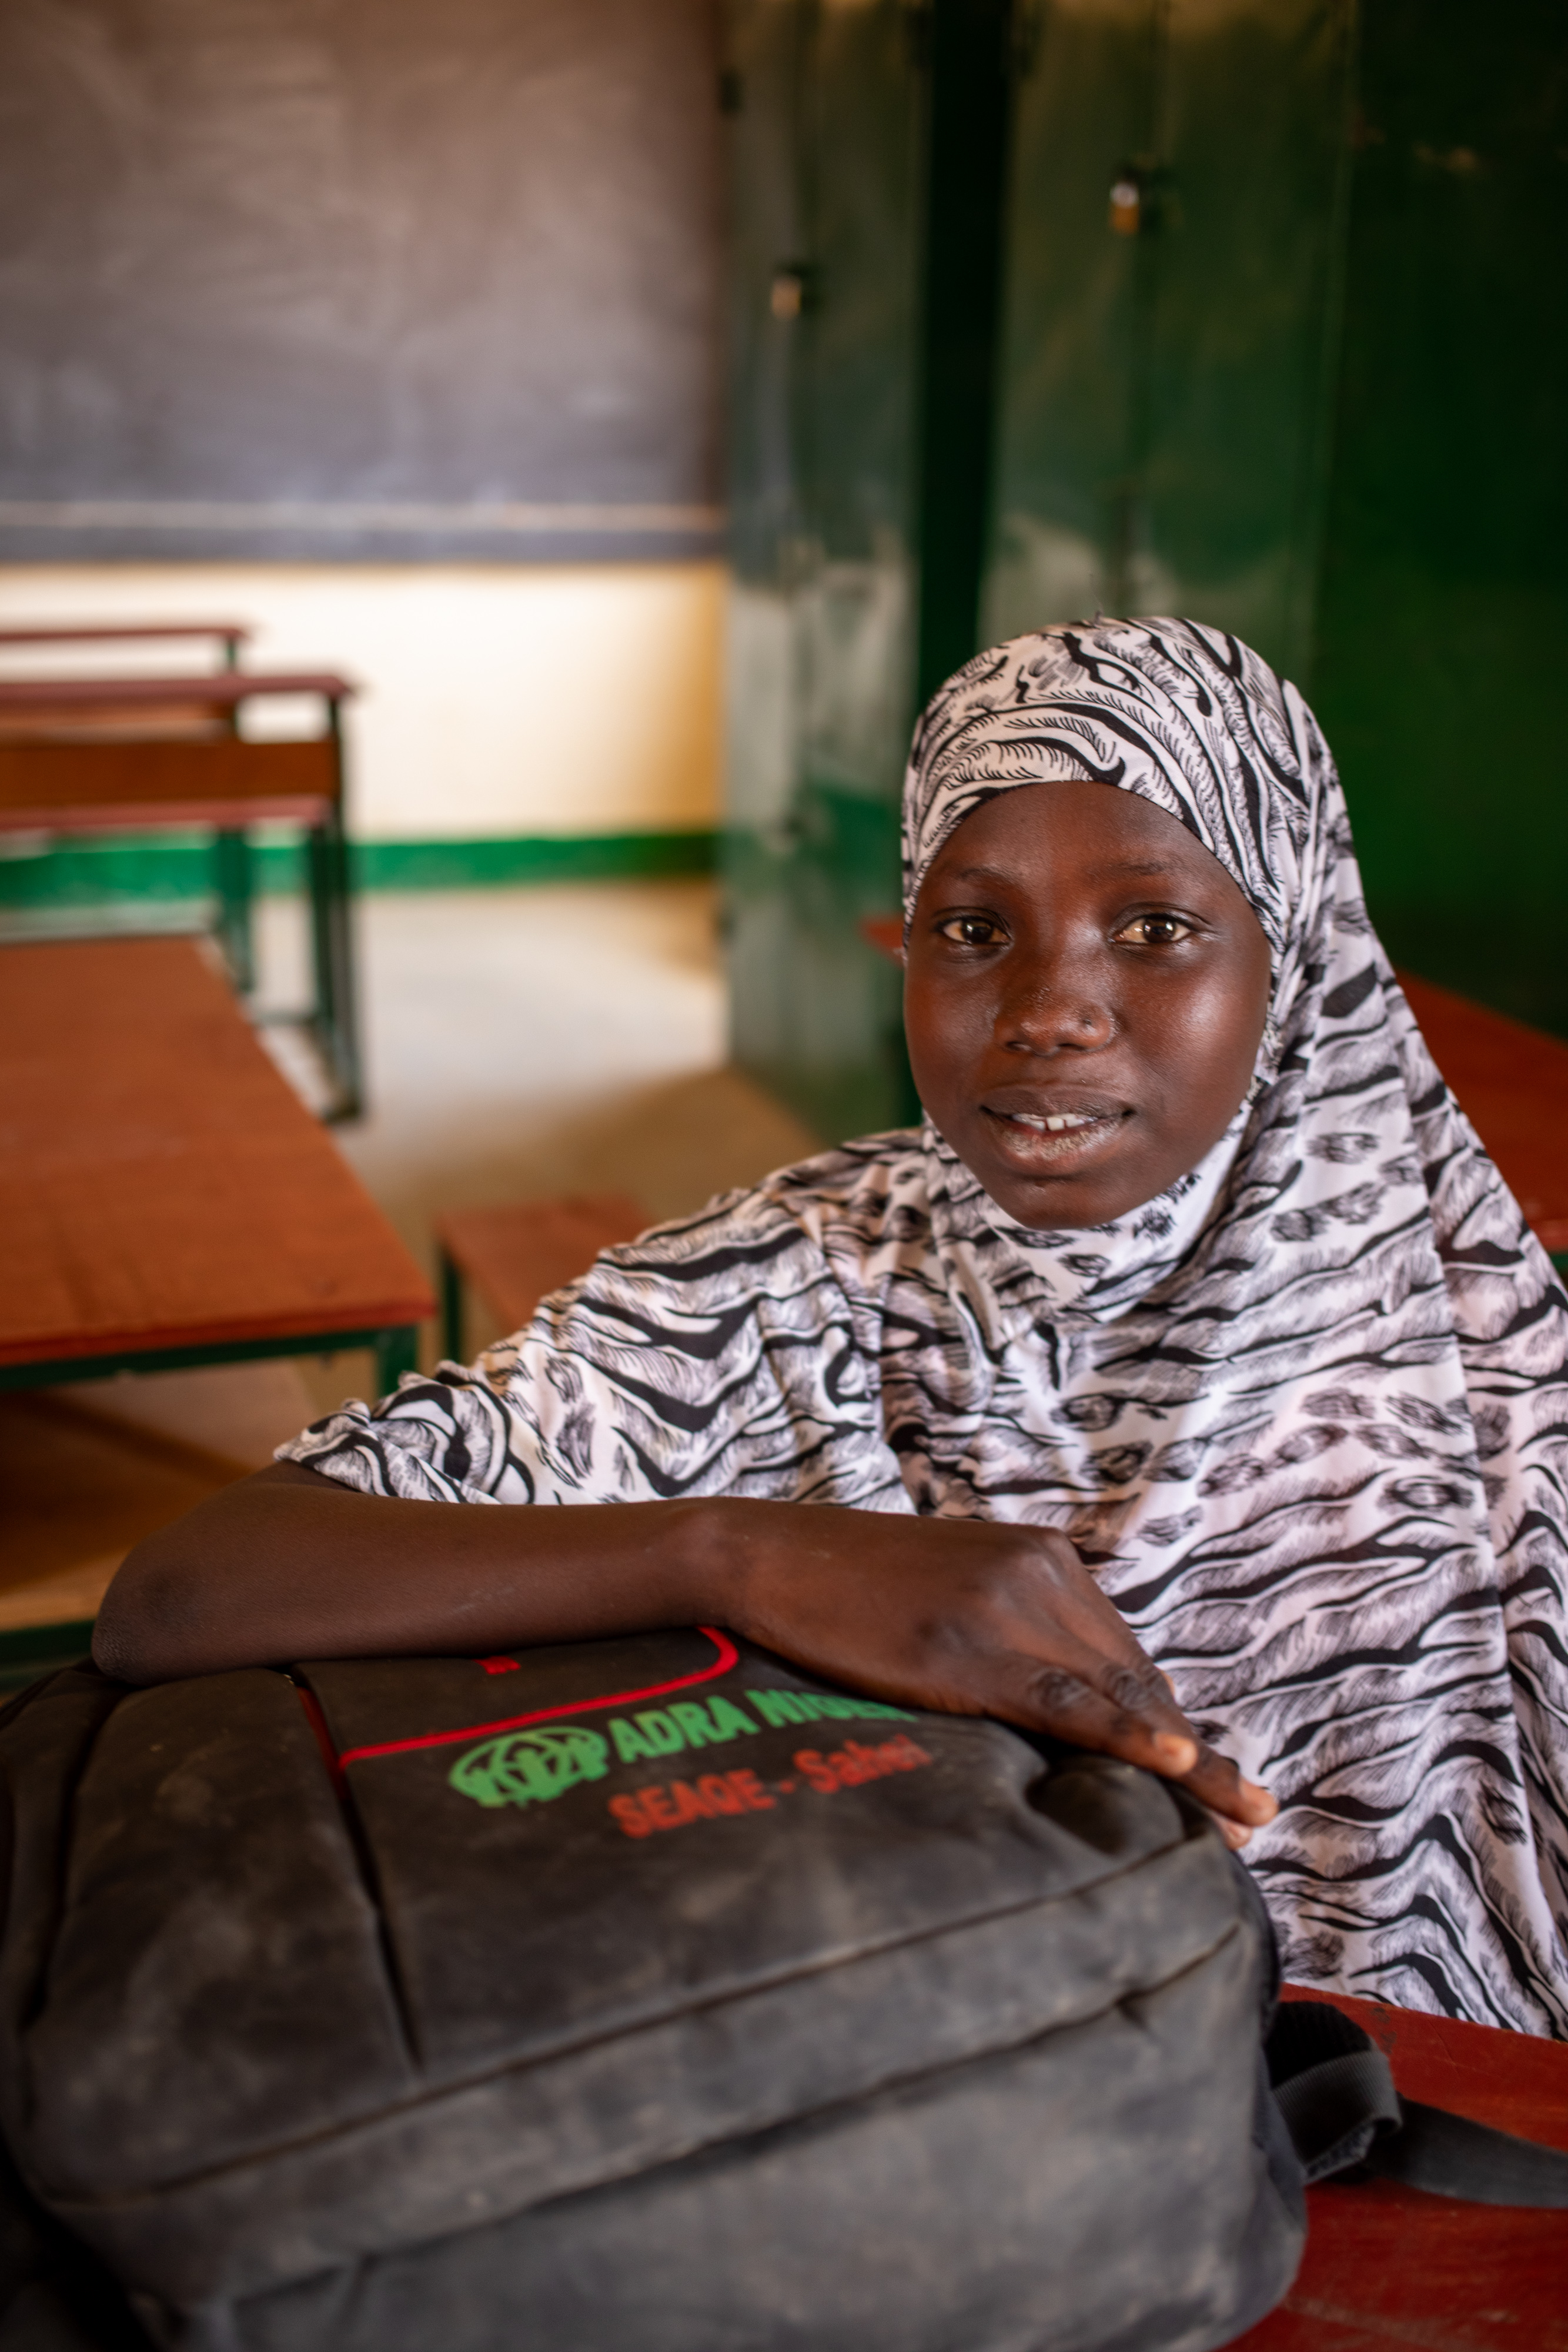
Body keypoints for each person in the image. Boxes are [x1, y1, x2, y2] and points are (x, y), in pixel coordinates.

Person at [96, 618, 1568, 2037]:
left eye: (1154, 927)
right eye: (972, 929)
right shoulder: (774, 1289)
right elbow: (182, 1592)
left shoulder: (1475, 1348)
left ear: (1293, 951)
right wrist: (742, 1550)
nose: (1048, 1009)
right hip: (915, 2101)